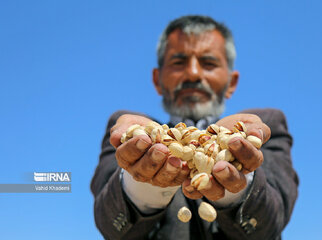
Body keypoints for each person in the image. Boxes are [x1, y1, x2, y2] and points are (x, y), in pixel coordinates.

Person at [91, 15, 298, 240]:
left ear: (232, 83)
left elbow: (271, 221)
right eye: (178, 62)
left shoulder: (265, 125)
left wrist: (236, 178)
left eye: (209, 63)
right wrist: (143, 177)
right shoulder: (128, 129)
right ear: (157, 80)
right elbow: (109, 223)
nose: (193, 74)